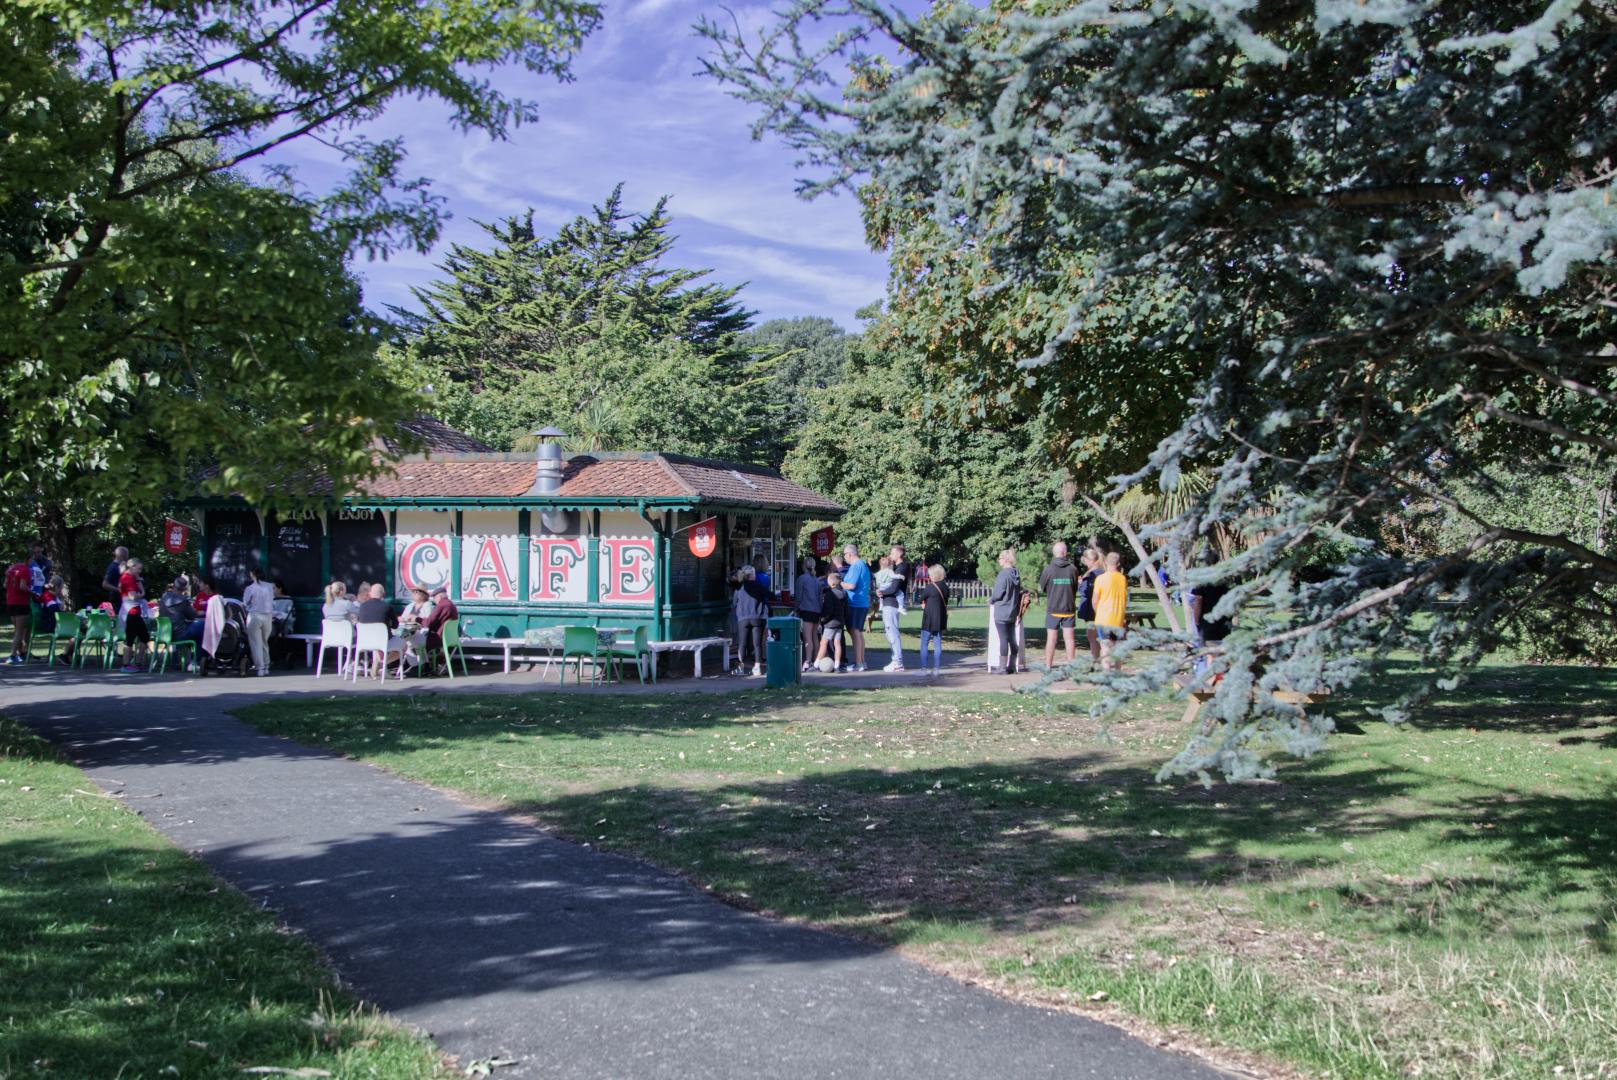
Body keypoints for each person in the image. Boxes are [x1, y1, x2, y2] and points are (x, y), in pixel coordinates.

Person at [1039, 541, 1080, 670]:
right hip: (1068, 608)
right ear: (1065, 553)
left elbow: (1042, 587)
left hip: (1053, 608)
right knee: (1069, 639)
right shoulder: (1073, 569)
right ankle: (1071, 667)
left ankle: (1048, 666)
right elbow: (1075, 587)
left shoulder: (1048, 569)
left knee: (1051, 639)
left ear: (1054, 553)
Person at [731, 564, 772, 677]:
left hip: (743, 618)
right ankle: (757, 668)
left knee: (742, 644)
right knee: (757, 644)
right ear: (753, 575)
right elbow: (771, 595)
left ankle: (741, 667)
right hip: (757, 617)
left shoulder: (739, 588)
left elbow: (734, 603)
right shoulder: (758, 586)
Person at [1092, 550, 1129, 672]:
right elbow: (1124, 600)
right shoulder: (1123, 579)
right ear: (1118, 564)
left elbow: (1095, 600)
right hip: (1118, 618)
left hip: (1104, 618)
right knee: (1118, 647)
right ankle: (1118, 672)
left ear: (1106, 562)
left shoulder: (1101, 579)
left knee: (1105, 647)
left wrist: (1097, 611)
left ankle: (1107, 674)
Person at [989, 548, 1022, 675]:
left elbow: (998, 593)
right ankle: (1012, 665)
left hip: (1002, 610)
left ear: (1006, 559)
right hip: (1012, 611)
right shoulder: (1015, 573)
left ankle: (1002, 667)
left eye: (1000, 558)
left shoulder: (1003, 574)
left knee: (1003, 639)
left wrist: (991, 599)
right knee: (1012, 638)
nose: (999, 561)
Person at [840, 543, 871, 672]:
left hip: (855, 603)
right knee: (857, 632)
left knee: (855, 632)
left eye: (845, 555)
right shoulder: (862, 565)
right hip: (861, 603)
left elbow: (851, 585)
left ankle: (859, 662)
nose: (844, 557)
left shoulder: (856, 566)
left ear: (850, 554)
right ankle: (862, 661)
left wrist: (838, 583)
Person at [117, 557, 151, 672]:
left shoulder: (129, 577)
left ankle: (137, 661)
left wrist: (138, 580)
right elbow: (132, 596)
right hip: (131, 611)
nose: (140, 571)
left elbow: (120, 589)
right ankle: (126, 665)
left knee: (144, 637)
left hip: (132, 610)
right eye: (139, 569)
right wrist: (142, 594)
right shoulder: (128, 578)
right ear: (132, 567)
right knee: (130, 638)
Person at [241, 568, 276, 677]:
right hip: (268, 615)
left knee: (256, 643)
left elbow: (245, 603)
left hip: (255, 615)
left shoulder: (250, 588)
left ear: (253, 574)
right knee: (264, 641)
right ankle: (266, 666)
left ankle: (260, 667)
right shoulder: (270, 586)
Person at [812, 572, 849, 672]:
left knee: (823, 643)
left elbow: (828, 610)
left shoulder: (830, 594)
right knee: (837, 643)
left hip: (830, 623)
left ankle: (816, 664)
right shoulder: (844, 594)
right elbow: (846, 609)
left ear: (831, 583)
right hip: (840, 623)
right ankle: (837, 665)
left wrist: (823, 620)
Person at [876, 555, 908, 672]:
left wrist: (881, 591)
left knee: (892, 633)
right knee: (891, 633)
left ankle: (897, 662)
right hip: (887, 604)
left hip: (890, 605)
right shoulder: (890, 572)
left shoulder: (893, 572)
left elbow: (893, 589)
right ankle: (896, 661)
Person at [918, 564, 950, 676]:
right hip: (941, 619)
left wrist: (923, 604)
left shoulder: (930, 587)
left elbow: (921, 598)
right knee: (937, 644)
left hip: (929, 619)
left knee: (924, 643)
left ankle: (923, 669)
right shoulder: (946, 588)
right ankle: (936, 669)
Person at [793, 556, 824, 671]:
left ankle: (808, 661)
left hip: (806, 610)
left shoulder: (801, 579)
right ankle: (817, 660)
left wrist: (796, 609)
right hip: (816, 611)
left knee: (807, 638)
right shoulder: (817, 580)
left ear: (803, 566)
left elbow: (798, 597)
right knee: (815, 636)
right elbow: (821, 599)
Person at [421, 587, 459, 674]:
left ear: (440, 597)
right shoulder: (451, 604)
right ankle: (427, 666)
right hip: (450, 638)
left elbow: (428, 622)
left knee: (416, 642)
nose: (434, 600)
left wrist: (416, 619)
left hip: (439, 638)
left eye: (434, 597)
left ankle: (420, 666)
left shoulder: (441, 605)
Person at [1076, 547, 1103, 665]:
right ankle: (1101, 659)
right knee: (1100, 635)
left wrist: (1080, 584)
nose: (1085, 564)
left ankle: (1095, 660)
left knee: (1092, 637)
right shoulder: (1103, 572)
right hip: (1101, 608)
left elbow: (1085, 592)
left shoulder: (1091, 575)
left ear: (1090, 560)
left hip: (1090, 608)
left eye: (1085, 561)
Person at [159, 577, 205, 644]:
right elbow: (192, 616)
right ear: (184, 589)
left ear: (173, 586)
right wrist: (202, 612)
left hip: (164, 633)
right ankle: (199, 654)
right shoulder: (183, 600)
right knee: (203, 625)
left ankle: (184, 652)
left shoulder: (164, 597)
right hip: (179, 634)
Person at [4, 557, 33, 664]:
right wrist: (33, 593)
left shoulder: (10, 569)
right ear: (28, 559)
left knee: (17, 630)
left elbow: (5, 585)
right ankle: (12, 655)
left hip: (10, 602)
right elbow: (22, 586)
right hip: (21, 602)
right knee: (20, 632)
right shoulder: (25, 569)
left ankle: (20, 654)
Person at [889, 544, 912, 614]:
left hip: (894, 602)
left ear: (899, 554)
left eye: (892, 553)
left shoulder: (901, 568)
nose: (890, 555)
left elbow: (894, 588)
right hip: (892, 601)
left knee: (891, 625)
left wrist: (882, 592)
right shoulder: (896, 567)